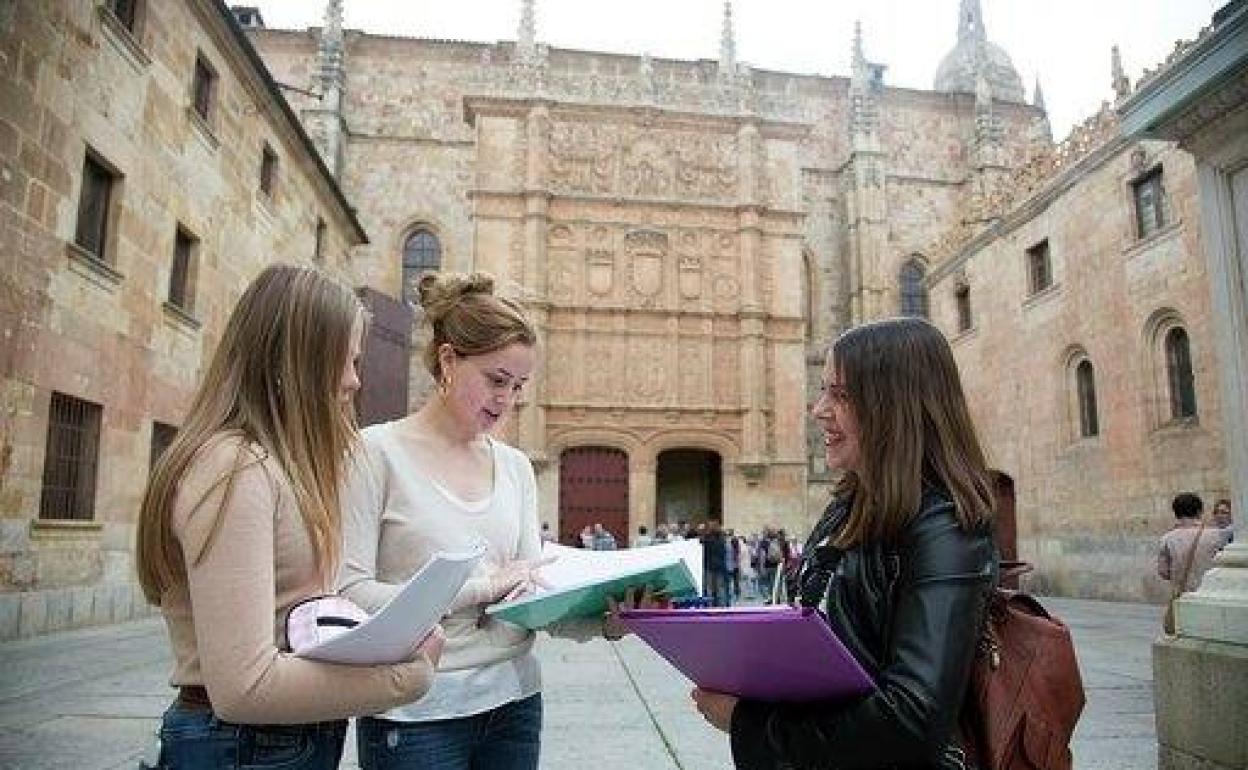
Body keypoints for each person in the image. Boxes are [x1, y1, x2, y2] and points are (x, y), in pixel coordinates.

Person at [135, 265, 441, 769]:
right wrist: (408, 677)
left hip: (271, 745)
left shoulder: (268, 465)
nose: (354, 381)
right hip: (242, 746)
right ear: (296, 363)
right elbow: (245, 687)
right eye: (347, 361)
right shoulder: (234, 468)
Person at [690, 317, 998, 769]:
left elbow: (913, 720)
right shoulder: (849, 506)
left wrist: (748, 724)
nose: (818, 410)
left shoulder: (945, 525)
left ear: (894, 405)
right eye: (823, 391)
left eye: (841, 395)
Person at [339, 271, 550, 770]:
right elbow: (349, 594)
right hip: (415, 714)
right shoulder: (373, 454)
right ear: (449, 359)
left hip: (515, 703)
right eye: (497, 381)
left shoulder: (516, 468)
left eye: (518, 386)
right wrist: (483, 587)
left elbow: (527, 589)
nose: (507, 400)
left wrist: (601, 615)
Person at [1157, 493, 1232, 592]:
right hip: (1212, 593)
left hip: (1183, 596)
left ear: (1176, 513)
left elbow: (1163, 572)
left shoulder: (1167, 539)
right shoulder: (1217, 535)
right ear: (1199, 512)